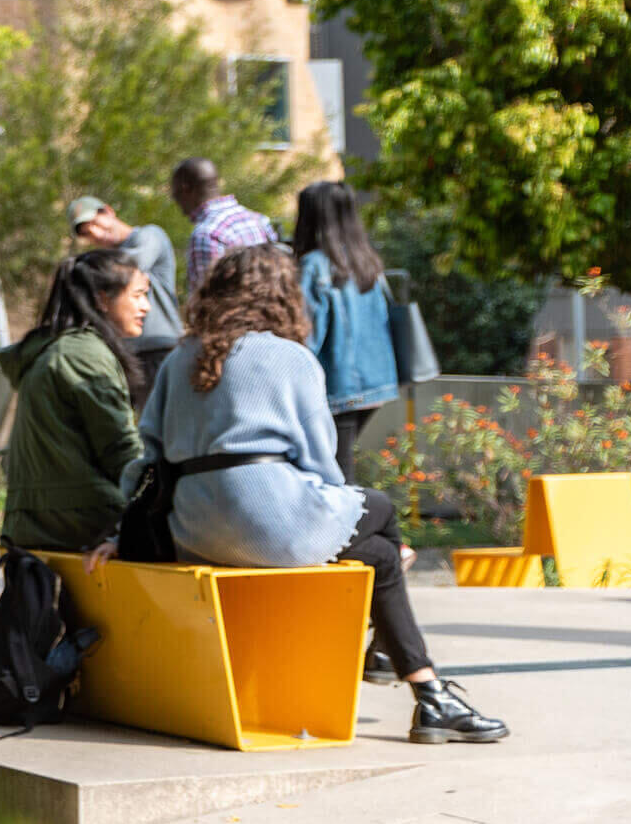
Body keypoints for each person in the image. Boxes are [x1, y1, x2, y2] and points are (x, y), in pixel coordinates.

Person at [87, 247, 506, 744]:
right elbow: (319, 459)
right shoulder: (289, 357)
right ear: (282, 295)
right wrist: (333, 507)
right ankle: (390, 656)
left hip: (193, 531)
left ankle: (429, 693)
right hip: (273, 524)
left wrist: (121, 530)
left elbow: (147, 457)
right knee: (380, 509)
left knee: (379, 559)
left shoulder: (181, 358)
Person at [0, 250, 150, 551]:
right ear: (103, 300)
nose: (146, 307)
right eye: (139, 295)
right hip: (80, 522)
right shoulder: (85, 356)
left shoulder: (52, 350)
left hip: (31, 521)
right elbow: (120, 451)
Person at [292, 181, 402, 482]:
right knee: (339, 465)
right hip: (376, 383)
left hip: (337, 387)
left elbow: (305, 336)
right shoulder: (367, 261)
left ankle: (353, 528)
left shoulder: (314, 265)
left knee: (336, 475)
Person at [67, 195, 183, 385]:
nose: (96, 233)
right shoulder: (104, 261)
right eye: (87, 233)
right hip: (127, 352)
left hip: (162, 347)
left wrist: (86, 265)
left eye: (96, 223)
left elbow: (133, 264)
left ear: (109, 211)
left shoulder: (149, 236)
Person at [170, 157, 278, 294]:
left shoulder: (206, 234)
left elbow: (206, 300)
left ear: (185, 190)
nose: (176, 201)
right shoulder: (259, 220)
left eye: (175, 194)